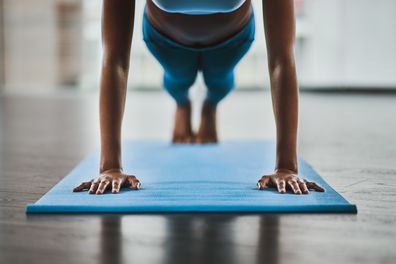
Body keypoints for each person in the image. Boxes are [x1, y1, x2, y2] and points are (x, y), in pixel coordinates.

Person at [73, 0, 325, 195]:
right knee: (178, 80)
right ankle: (182, 103)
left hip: (231, 41)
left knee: (219, 82)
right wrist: (110, 167)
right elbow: (115, 59)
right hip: (166, 40)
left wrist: (286, 167)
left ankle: (210, 104)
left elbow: (282, 60)